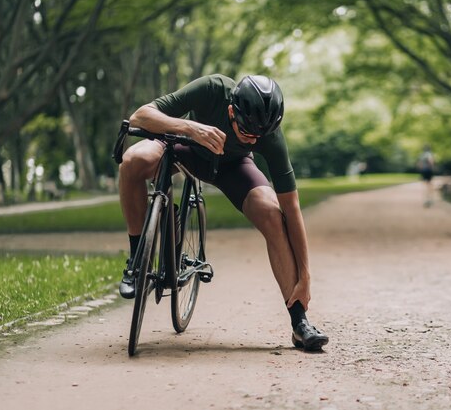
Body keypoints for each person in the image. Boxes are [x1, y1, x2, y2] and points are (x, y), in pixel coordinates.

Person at [117, 74, 329, 352]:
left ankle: (300, 323)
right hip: (185, 145)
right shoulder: (213, 89)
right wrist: (192, 128)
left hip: (233, 167)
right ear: (231, 110)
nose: (253, 137)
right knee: (133, 160)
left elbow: (292, 208)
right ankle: (136, 261)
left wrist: (306, 276)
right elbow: (140, 116)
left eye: (259, 135)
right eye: (246, 131)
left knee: (272, 213)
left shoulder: (270, 135)